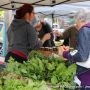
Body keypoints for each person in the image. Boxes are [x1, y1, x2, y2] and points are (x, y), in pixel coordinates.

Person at [58, 9, 90, 90]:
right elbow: (85, 51)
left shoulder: (85, 30)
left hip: (86, 76)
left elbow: (82, 56)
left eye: (76, 22)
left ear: (80, 19)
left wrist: (64, 53)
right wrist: (71, 51)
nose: (76, 26)